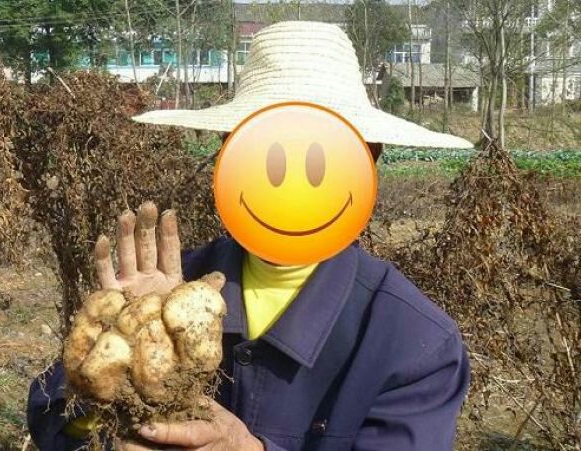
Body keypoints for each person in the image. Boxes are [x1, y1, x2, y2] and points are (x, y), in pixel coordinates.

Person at [28, 21, 472, 451]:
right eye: (266, 156)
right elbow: (52, 418)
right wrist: (109, 395)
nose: (290, 184)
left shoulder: (414, 342)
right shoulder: (167, 290)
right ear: (229, 151)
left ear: (366, 159)